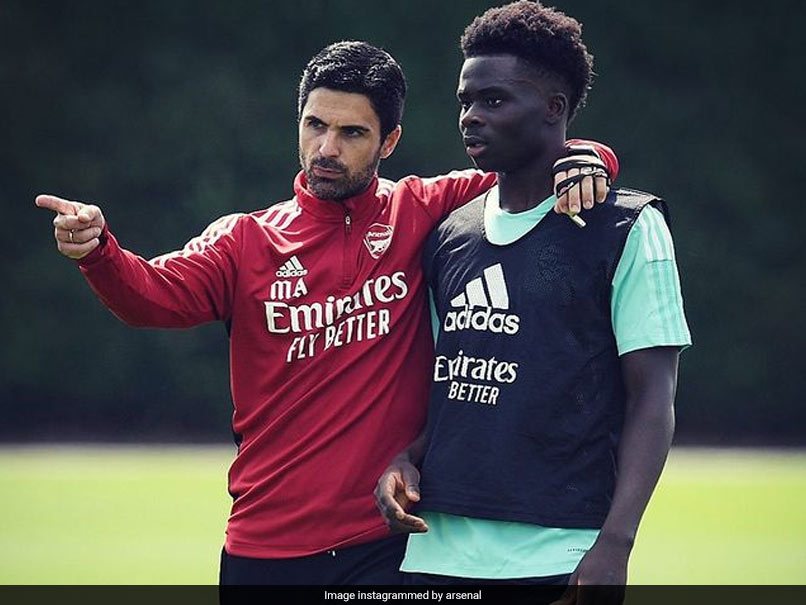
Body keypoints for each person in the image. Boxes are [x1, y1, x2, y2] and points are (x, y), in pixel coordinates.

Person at [35, 40, 616, 585]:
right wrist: (99, 252)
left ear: (389, 141)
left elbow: (526, 169)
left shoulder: (424, 208)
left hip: (390, 545)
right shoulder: (245, 240)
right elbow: (152, 298)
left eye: (352, 132)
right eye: (315, 125)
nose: (327, 149)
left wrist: (590, 156)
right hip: (265, 548)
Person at [375, 0, 691, 596]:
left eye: (494, 100)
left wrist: (615, 544)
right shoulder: (450, 234)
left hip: (559, 551)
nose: (471, 116)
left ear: (554, 108)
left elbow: (654, 397)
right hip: (436, 551)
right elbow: (455, 390)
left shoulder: (626, 226)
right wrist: (407, 458)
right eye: (466, 100)